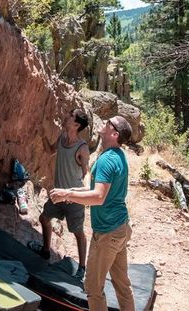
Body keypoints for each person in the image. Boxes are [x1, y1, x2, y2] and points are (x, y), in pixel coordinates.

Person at [50, 115, 135, 311]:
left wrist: (67, 193)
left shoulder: (106, 160)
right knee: (122, 285)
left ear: (114, 134)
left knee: (93, 288)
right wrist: (68, 194)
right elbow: (96, 190)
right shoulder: (118, 156)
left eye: (108, 123)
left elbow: (98, 197)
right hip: (120, 228)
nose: (104, 123)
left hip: (107, 233)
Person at [28, 109, 90, 281]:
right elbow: (50, 151)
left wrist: (82, 191)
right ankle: (46, 251)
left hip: (73, 197)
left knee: (77, 232)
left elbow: (86, 173)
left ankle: (82, 268)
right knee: (44, 218)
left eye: (70, 116)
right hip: (58, 194)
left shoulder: (82, 148)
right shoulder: (63, 138)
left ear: (76, 125)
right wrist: (41, 135)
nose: (67, 117)